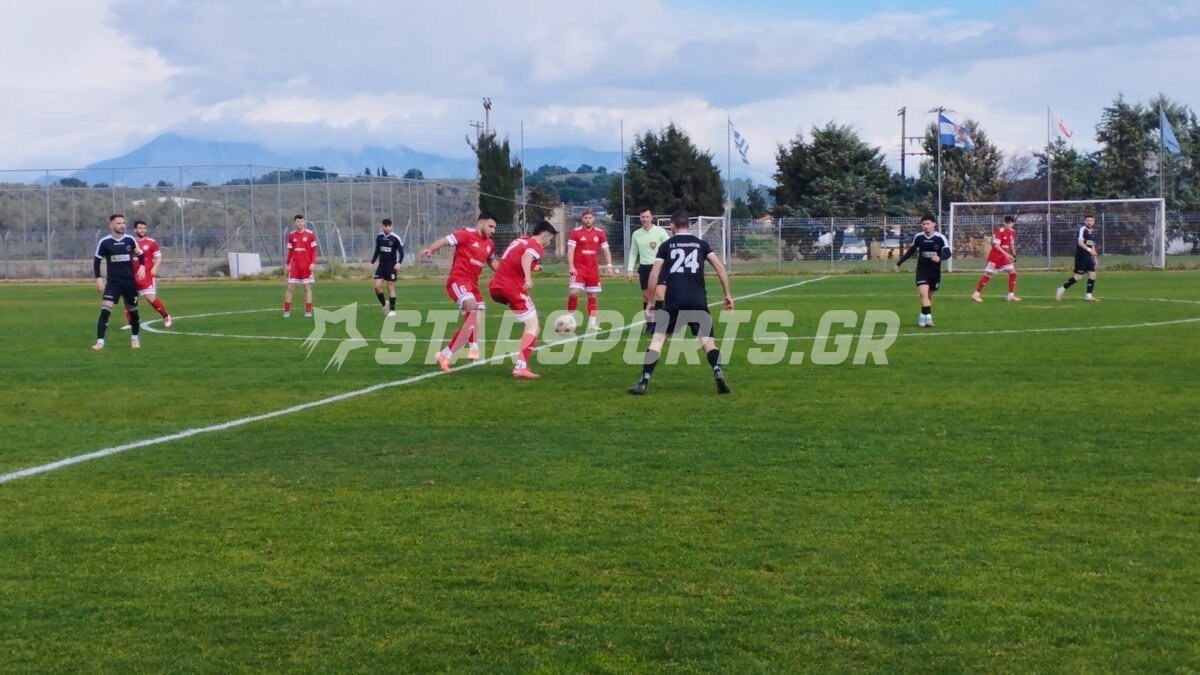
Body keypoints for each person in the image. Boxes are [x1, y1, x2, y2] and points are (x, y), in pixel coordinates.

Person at [628, 210, 734, 396]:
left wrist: (650, 300)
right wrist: (727, 294)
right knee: (707, 342)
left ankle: (643, 381)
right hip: (697, 298)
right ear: (688, 225)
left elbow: (654, 273)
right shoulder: (701, 244)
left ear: (672, 226)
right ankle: (717, 371)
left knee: (658, 339)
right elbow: (719, 267)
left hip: (673, 299)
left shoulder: (666, 246)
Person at [422, 212, 498, 371]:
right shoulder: (466, 234)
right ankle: (472, 347)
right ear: (480, 223)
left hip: (473, 284)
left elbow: (492, 262)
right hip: (458, 280)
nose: (493, 230)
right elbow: (444, 241)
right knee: (472, 308)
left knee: (473, 324)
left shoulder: (489, 243)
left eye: (494, 228)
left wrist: (508, 274)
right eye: (491, 226)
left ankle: (446, 354)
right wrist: (430, 249)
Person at [488, 221, 559, 379]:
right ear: (545, 235)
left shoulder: (521, 240)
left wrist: (534, 267)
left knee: (530, 325)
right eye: (550, 238)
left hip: (496, 287)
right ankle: (520, 367)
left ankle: (521, 359)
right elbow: (527, 257)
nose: (549, 242)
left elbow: (516, 258)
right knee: (533, 327)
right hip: (512, 288)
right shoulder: (536, 245)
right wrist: (528, 277)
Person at [92, 214, 146, 350]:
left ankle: (135, 338)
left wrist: (142, 267)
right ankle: (100, 342)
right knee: (105, 311)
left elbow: (140, 254)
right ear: (111, 225)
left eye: (123, 223)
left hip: (129, 283)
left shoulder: (130, 240)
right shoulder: (105, 242)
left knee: (133, 313)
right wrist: (98, 278)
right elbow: (97, 260)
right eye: (119, 223)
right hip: (113, 284)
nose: (122, 226)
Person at [894, 214, 952, 328]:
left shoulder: (940, 238)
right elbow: (911, 251)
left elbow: (948, 253)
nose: (926, 226)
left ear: (934, 224)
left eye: (928, 224)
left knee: (928, 297)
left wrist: (940, 257)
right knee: (923, 293)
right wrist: (898, 263)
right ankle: (929, 318)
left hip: (934, 271)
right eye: (924, 224)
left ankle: (922, 316)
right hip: (922, 270)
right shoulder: (919, 237)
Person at [566, 207, 614, 332]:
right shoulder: (575, 232)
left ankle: (592, 324)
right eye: (585, 218)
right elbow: (570, 250)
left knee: (592, 295)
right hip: (578, 268)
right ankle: (569, 320)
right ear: (582, 219)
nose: (588, 220)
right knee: (574, 292)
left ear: (594, 219)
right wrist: (571, 266)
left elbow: (606, 249)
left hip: (592, 269)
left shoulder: (600, 233)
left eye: (590, 218)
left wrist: (609, 265)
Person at [625, 206, 670, 333]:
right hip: (644, 268)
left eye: (647, 217)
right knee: (646, 297)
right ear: (640, 218)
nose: (645, 219)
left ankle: (660, 325)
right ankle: (650, 325)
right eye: (642, 217)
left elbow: (669, 247)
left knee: (659, 295)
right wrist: (630, 269)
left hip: (659, 267)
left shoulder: (660, 231)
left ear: (651, 217)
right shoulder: (636, 234)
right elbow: (633, 252)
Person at [121, 219, 172, 329]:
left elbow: (158, 257)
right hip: (131, 275)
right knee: (129, 300)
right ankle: (131, 322)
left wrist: (155, 267)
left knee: (150, 298)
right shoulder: (129, 242)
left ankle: (165, 316)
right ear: (135, 230)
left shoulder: (151, 242)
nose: (142, 230)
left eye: (144, 228)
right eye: (140, 228)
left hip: (146, 275)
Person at [971, 215, 1020, 302]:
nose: (1009, 225)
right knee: (988, 275)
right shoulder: (1000, 232)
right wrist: (1006, 254)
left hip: (1004, 258)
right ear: (1004, 223)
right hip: (995, 257)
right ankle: (976, 294)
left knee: (1013, 273)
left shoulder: (1012, 232)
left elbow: (1011, 243)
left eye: (1011, 223)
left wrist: (1014, 255)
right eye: (1008, 223)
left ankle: (1010, 295)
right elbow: (996, 245)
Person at [1056, 214, 1100, 302]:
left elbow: (1092, 245)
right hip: (1081, 256)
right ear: (1084, 221)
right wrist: (1089, 250)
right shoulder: (1082, 230)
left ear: (1094, 222)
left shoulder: (1091, 232)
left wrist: (1095, 258)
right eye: (1087, 220)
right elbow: (1080, 243)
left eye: (1091, 221)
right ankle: (1061, 289)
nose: (1089, 222)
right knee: (1078, 277)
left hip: (1088, 257)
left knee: (1092, 275)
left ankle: (1088, 296)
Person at [283, 214, 318, 318]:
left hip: (306, 265)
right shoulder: (291, 235)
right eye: (298, 222)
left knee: (307, 287)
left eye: (302, 221)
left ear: (304, 222)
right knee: (290, 287)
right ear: (295, 223)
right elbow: (290, 251)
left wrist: (313, 263)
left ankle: (308, 311)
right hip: (295, 265)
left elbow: (314, 250)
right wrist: (287, 264)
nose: (300, 224)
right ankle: (286, 311)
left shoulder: (310, 234)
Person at [371, 218, 405, 316]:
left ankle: (392, 310)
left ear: (391, 226)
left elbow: (401, 252)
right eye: (386, 226)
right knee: (376, 286)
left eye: (389, 226)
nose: (388, 228)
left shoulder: (395, 238)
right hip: (381, 266)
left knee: (390, 286)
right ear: (382, 226)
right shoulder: (379, 237)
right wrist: (372, 262)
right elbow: (377, 250)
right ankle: (385, 305)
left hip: (391, 266)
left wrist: (399, 263)